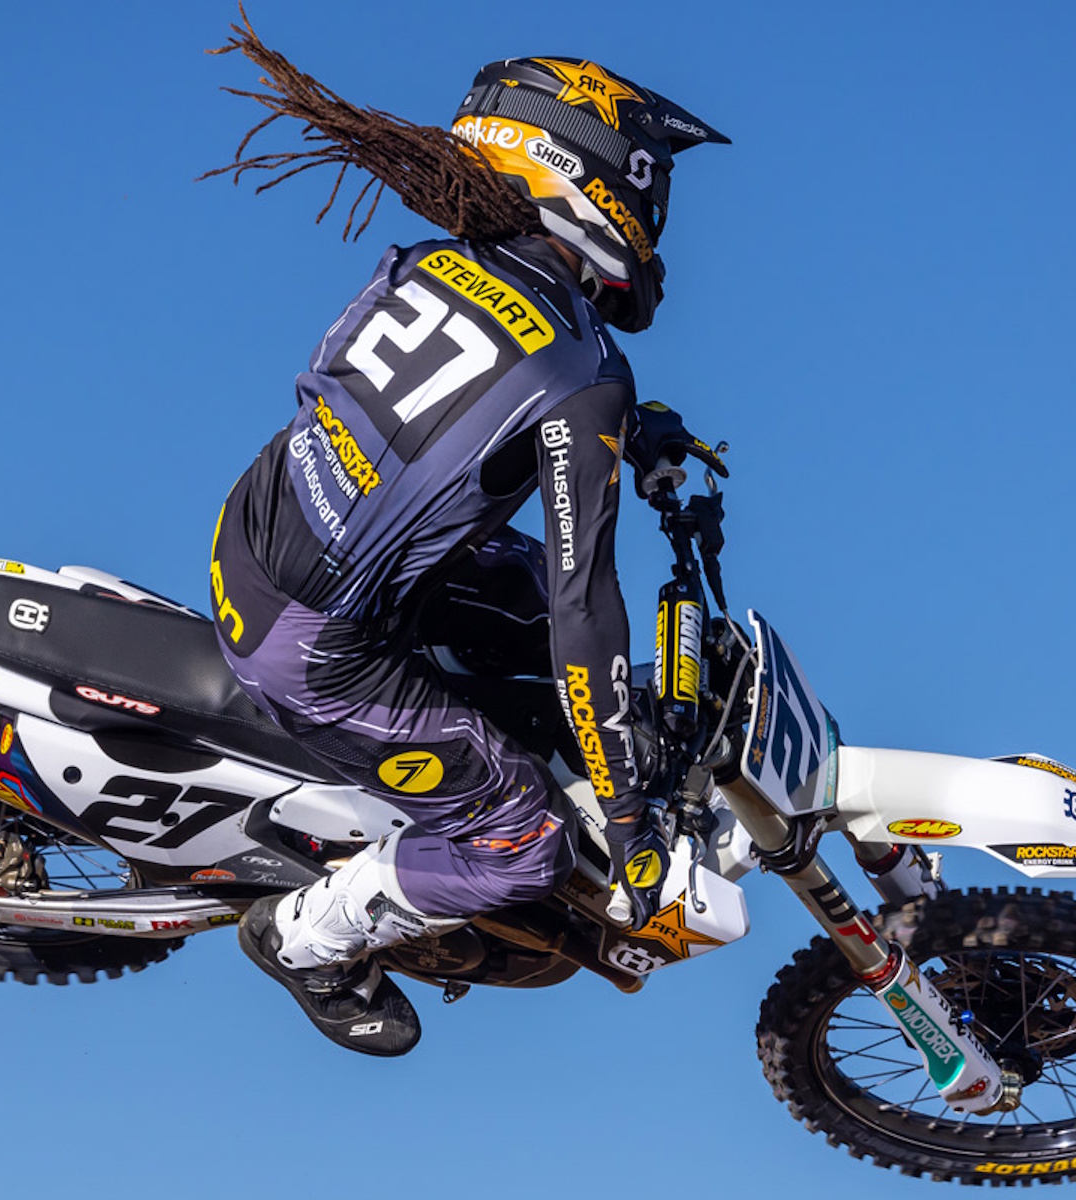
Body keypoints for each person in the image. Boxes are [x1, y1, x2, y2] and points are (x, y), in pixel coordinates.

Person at [206, 21, 728, 1056]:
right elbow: (586, 605)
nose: (655, 217)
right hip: (315, 648)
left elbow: (454, 401)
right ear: (589, 180)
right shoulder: (585, 373)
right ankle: (305, 942)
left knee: (528, 606)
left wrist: (627, 430)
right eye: (649, 189)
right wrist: (627, 814)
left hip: (259, 536)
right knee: (524, 841)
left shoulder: (435, 265)